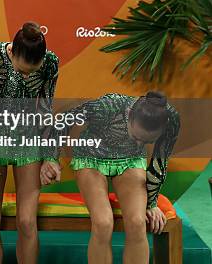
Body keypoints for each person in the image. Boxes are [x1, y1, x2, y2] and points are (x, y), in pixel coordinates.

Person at [41, 92, 179, 264]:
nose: (139, 144)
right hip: (92, 158)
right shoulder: (107, 106)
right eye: (136, 137)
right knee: (103, 222)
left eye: (146, 142)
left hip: (130, 161)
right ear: (129, 114)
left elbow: (160, 162)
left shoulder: (169, 119)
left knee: (137, 222)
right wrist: (51, 158)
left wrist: (151, 202)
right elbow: (65, 120)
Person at [0, 22, 59, 264]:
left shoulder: (51, 62)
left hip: (27, 140)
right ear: (11, 52)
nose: (27, 76)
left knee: (26, 221)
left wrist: (50, 156)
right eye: (22, 71)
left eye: (33, 72)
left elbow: (45, 110)